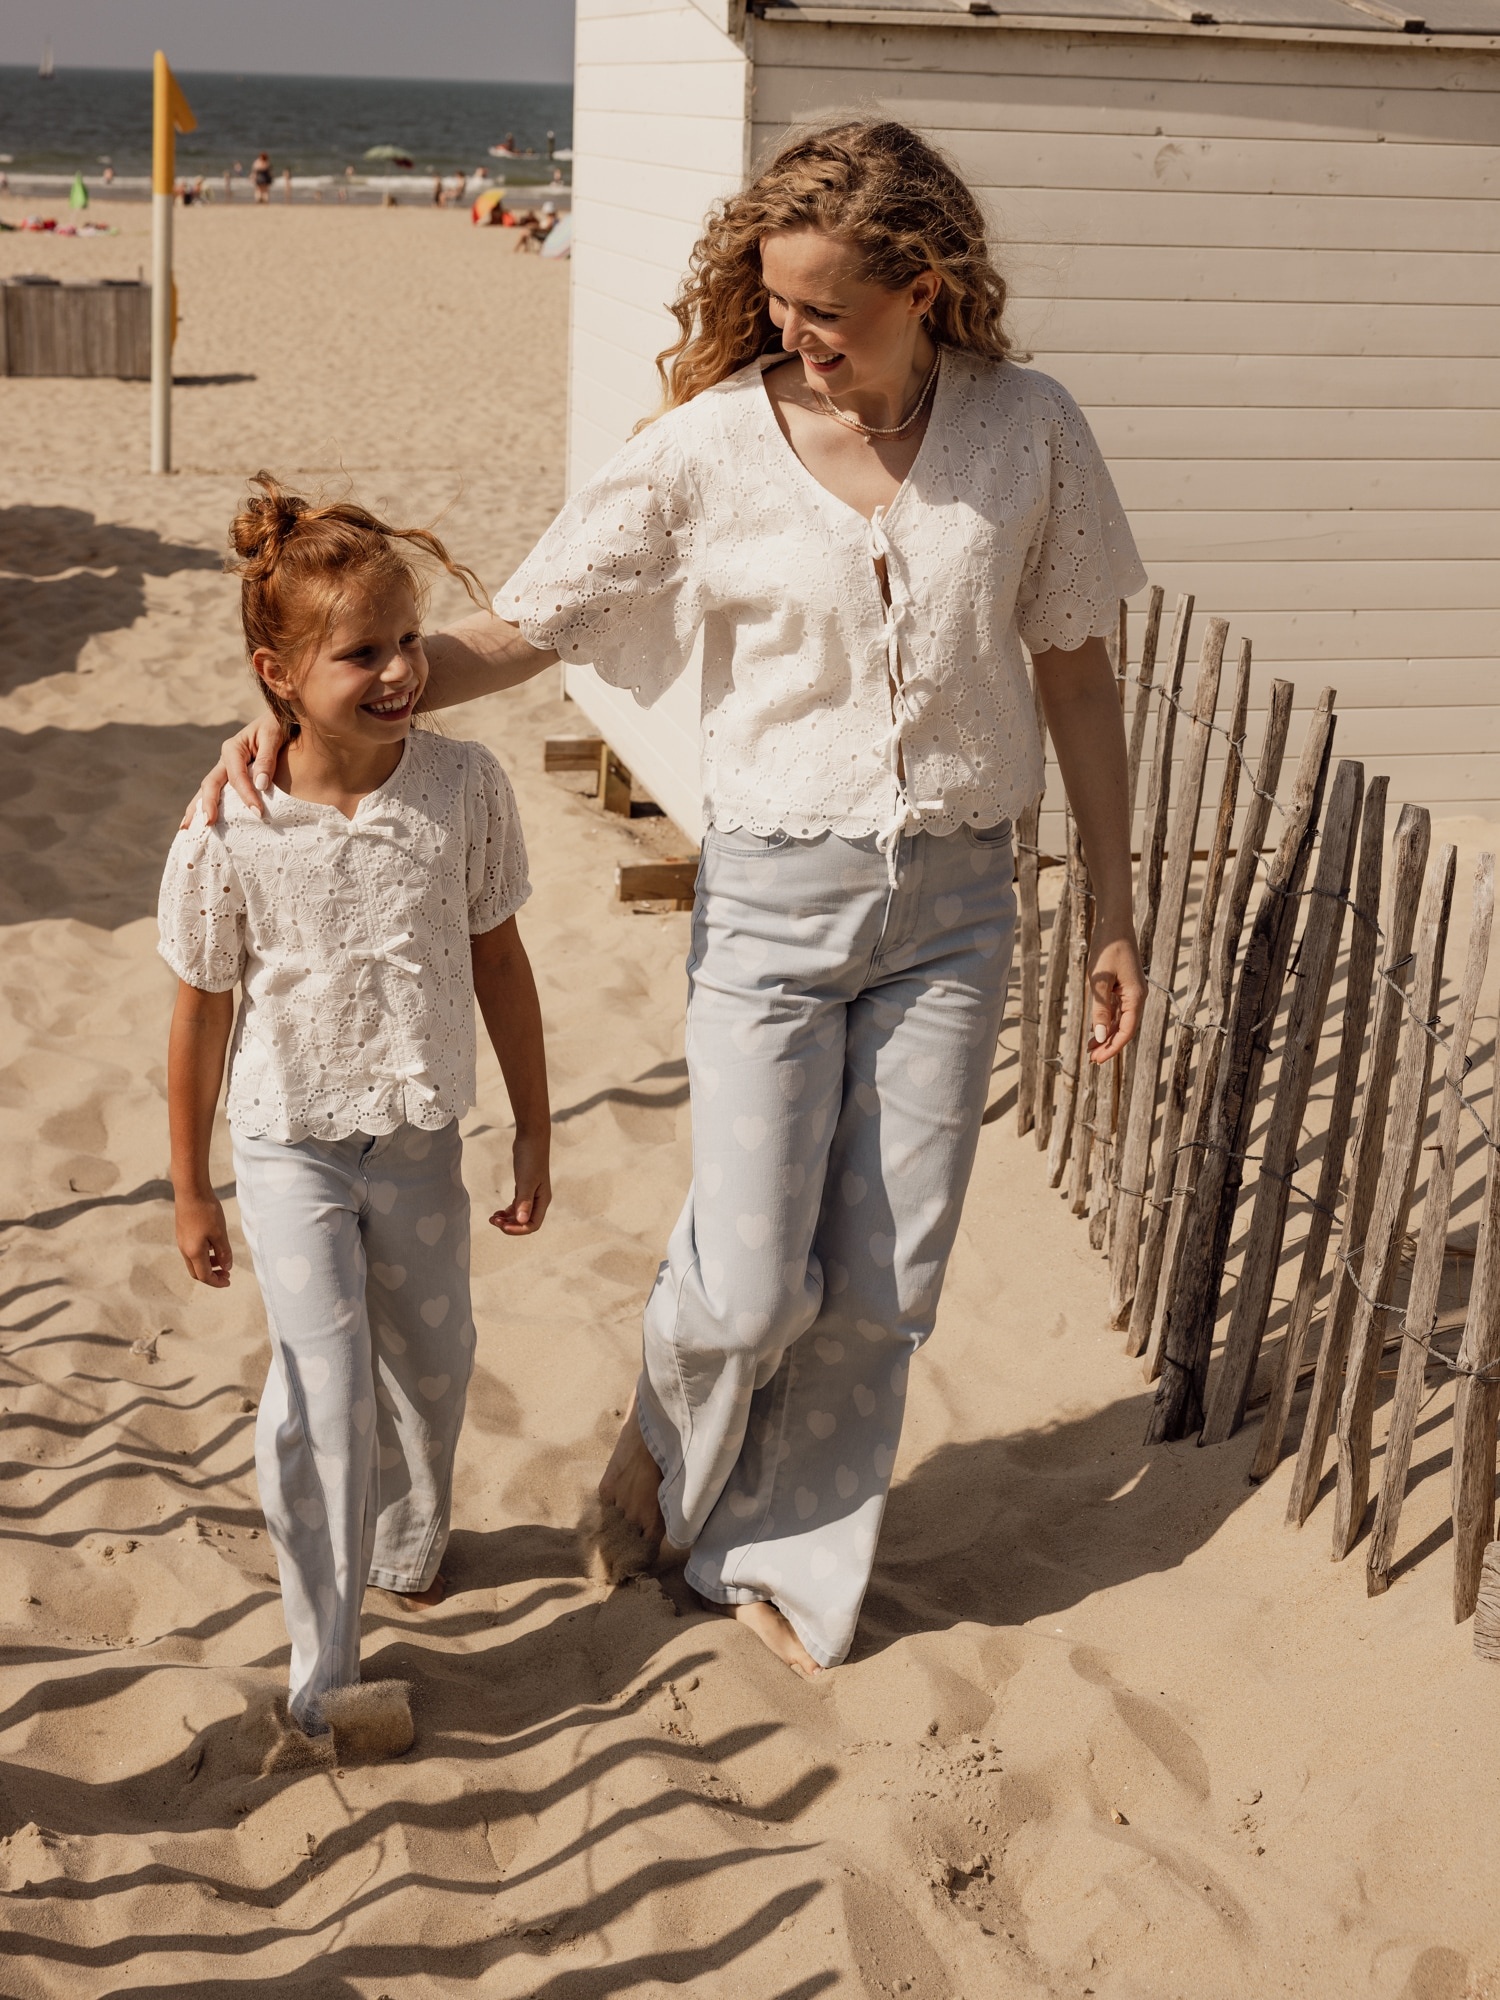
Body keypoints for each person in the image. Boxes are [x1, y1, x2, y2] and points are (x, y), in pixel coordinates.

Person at [193, 117, 1145, 1681]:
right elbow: (533, 622)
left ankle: (770, 1561)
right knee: (754, 1284)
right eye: (776, 301)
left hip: (961, 906)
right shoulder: (711, 444)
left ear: (922, 286)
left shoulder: (1028, 429)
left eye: (826, 309)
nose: (794, 332)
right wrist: (313, 713)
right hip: (774, 903)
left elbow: (1080, 675)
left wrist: (1110, 904)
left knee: (883, 1287)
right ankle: (665, 1436)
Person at [163, 476, 549, 1737]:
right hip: (289, 1149)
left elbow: (500, 958)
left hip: (420, 1140)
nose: (399, 672)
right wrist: (190, 1182)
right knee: (323, 1393)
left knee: (433, 1369)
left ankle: (409, 1537)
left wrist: (535, 1124)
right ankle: (325, 1670)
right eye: (361, 652)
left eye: (409, 640)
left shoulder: (464, 787)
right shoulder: (227, 827)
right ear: (275, 674)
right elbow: (200, 1013)